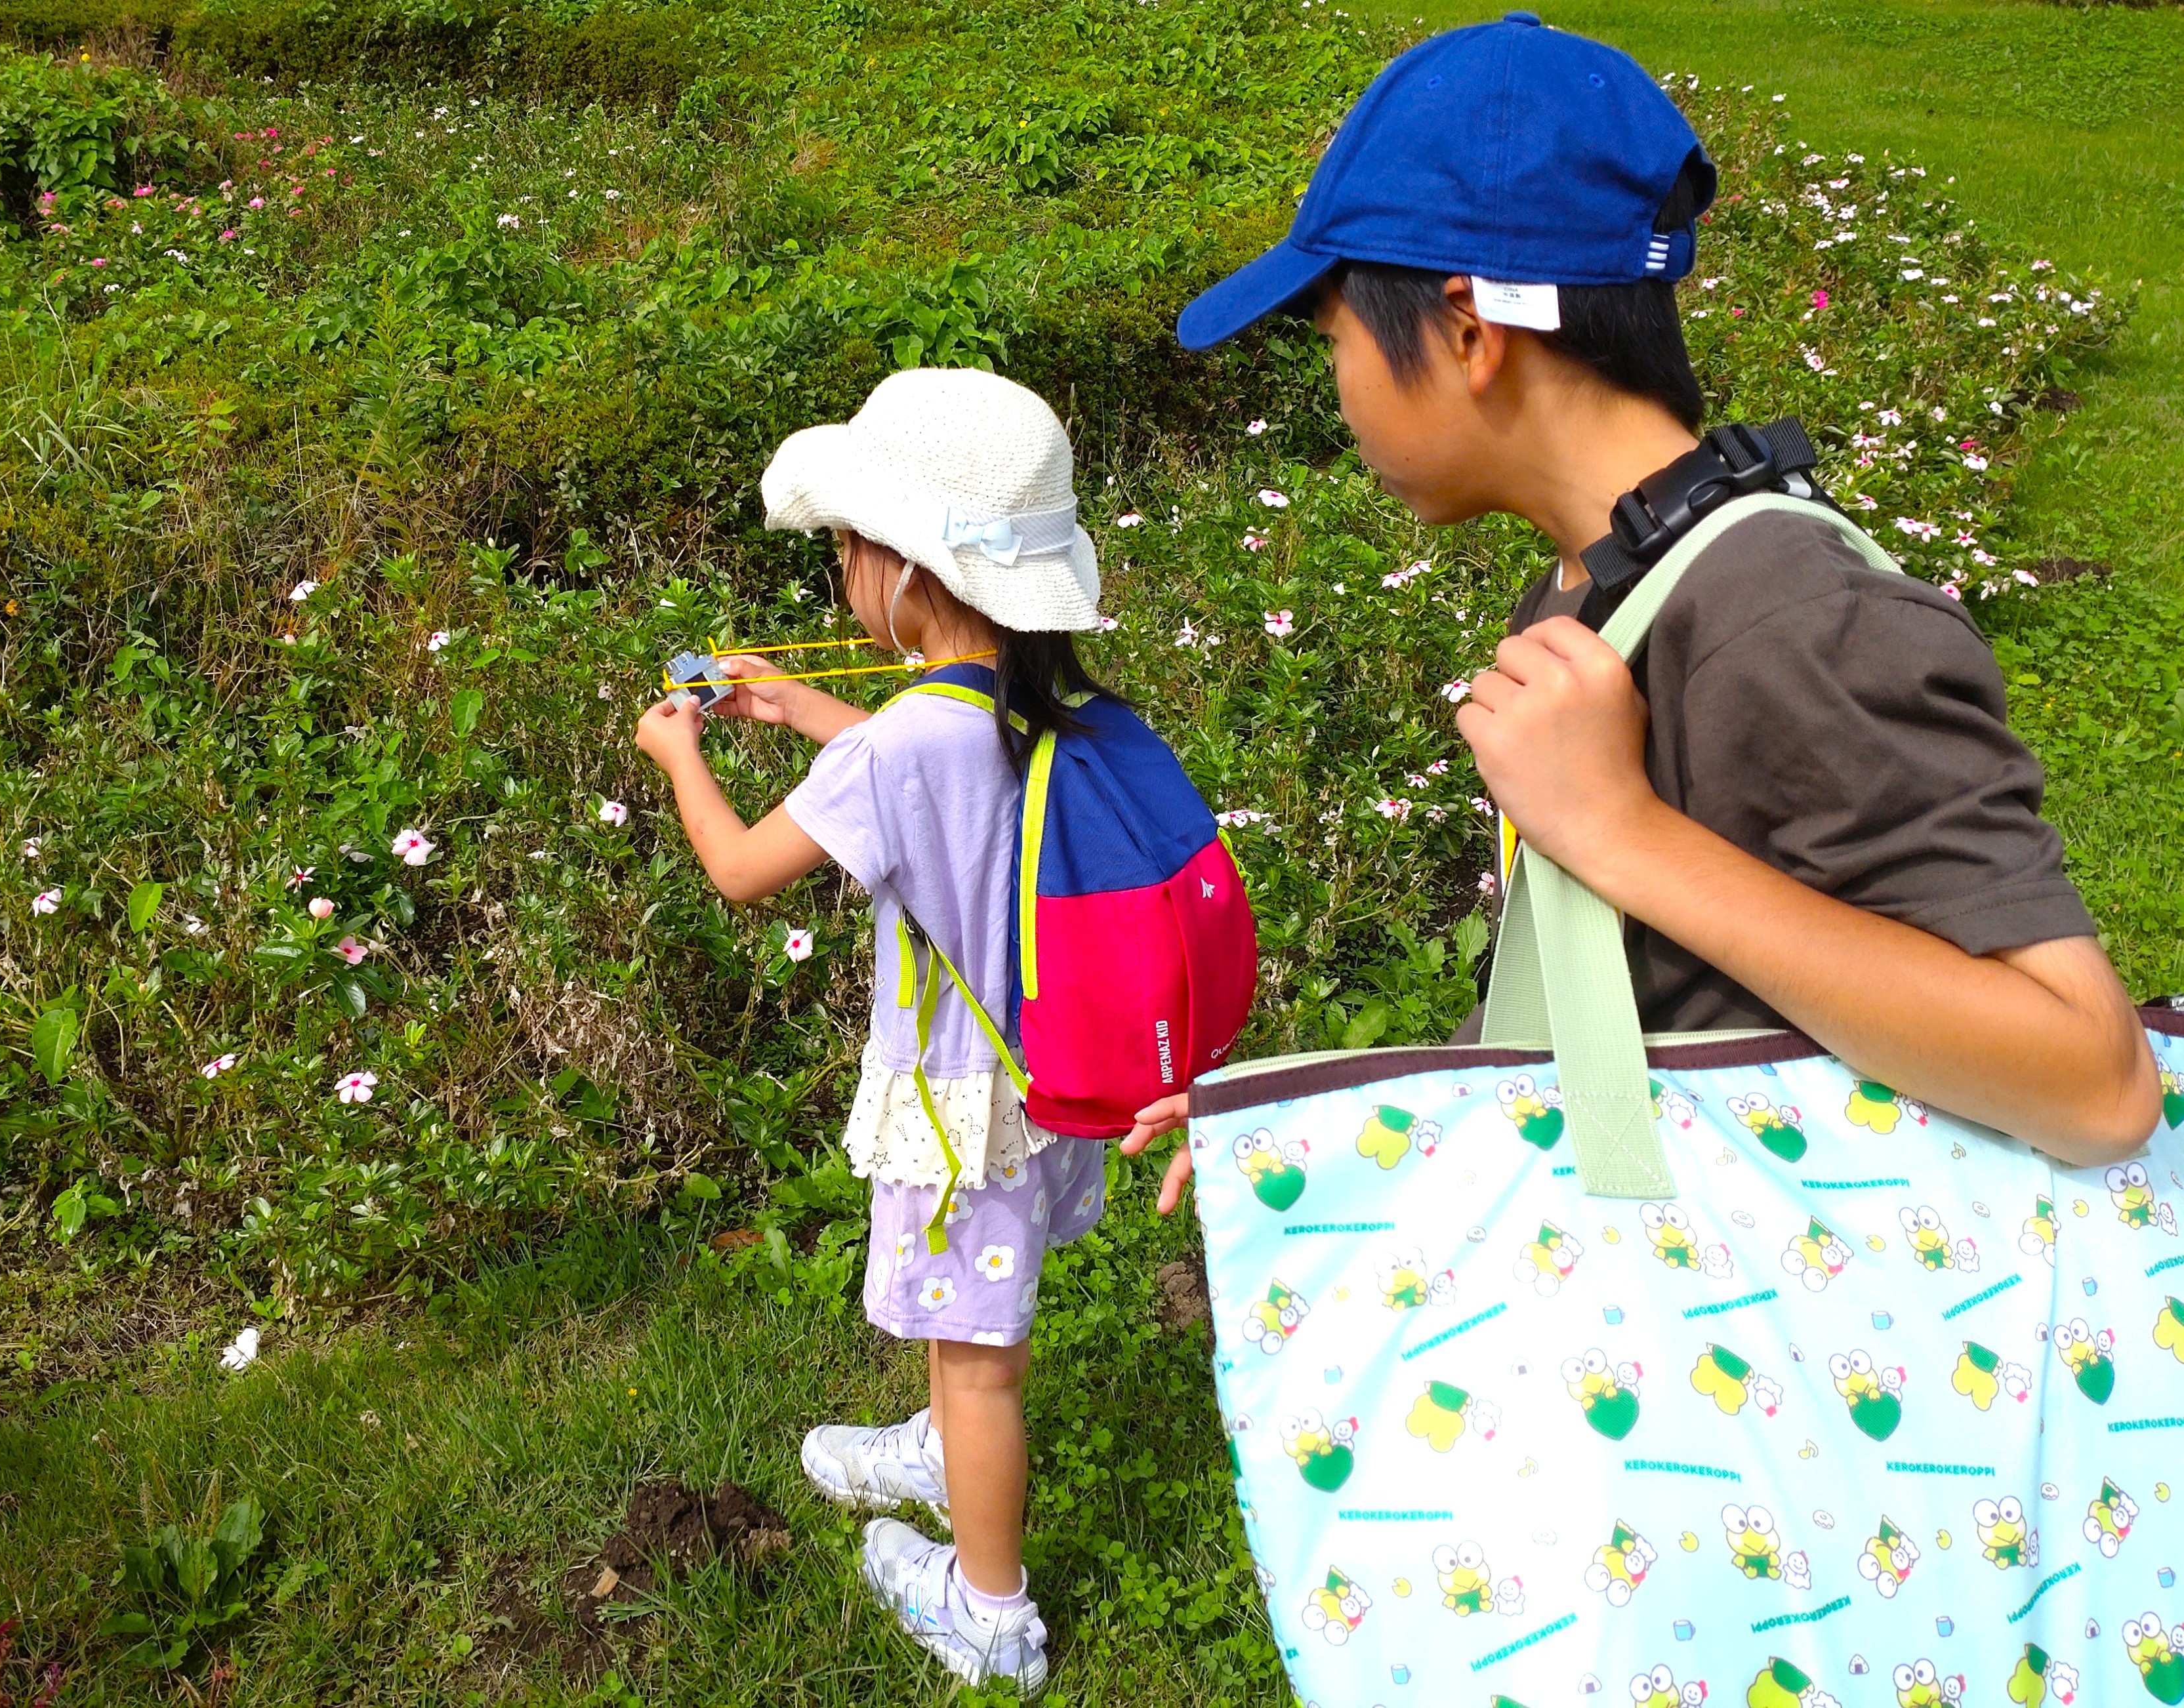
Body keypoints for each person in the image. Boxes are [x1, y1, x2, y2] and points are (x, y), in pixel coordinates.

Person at [1124, 12, 2160, 1201]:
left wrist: (1622, 831)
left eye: (1335, 341)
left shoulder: (1789, 612)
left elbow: (2095, 1083)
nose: (1341, 392)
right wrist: (1322, 1125)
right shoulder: (1603, 578)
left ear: (1468, 331)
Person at [634, 366, 1115, 1696]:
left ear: (903, 571)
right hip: (1038, 1075)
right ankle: (944, 1449)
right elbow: (924, 770)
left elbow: (741, 868)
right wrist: (806, 711)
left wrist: (681, 757)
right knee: (976, 1324)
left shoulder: (896, 750)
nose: (841, 567)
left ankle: (990, 1615)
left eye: (848, 545)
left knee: (981, 1360)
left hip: (955, 1107)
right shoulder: (1025, 699)